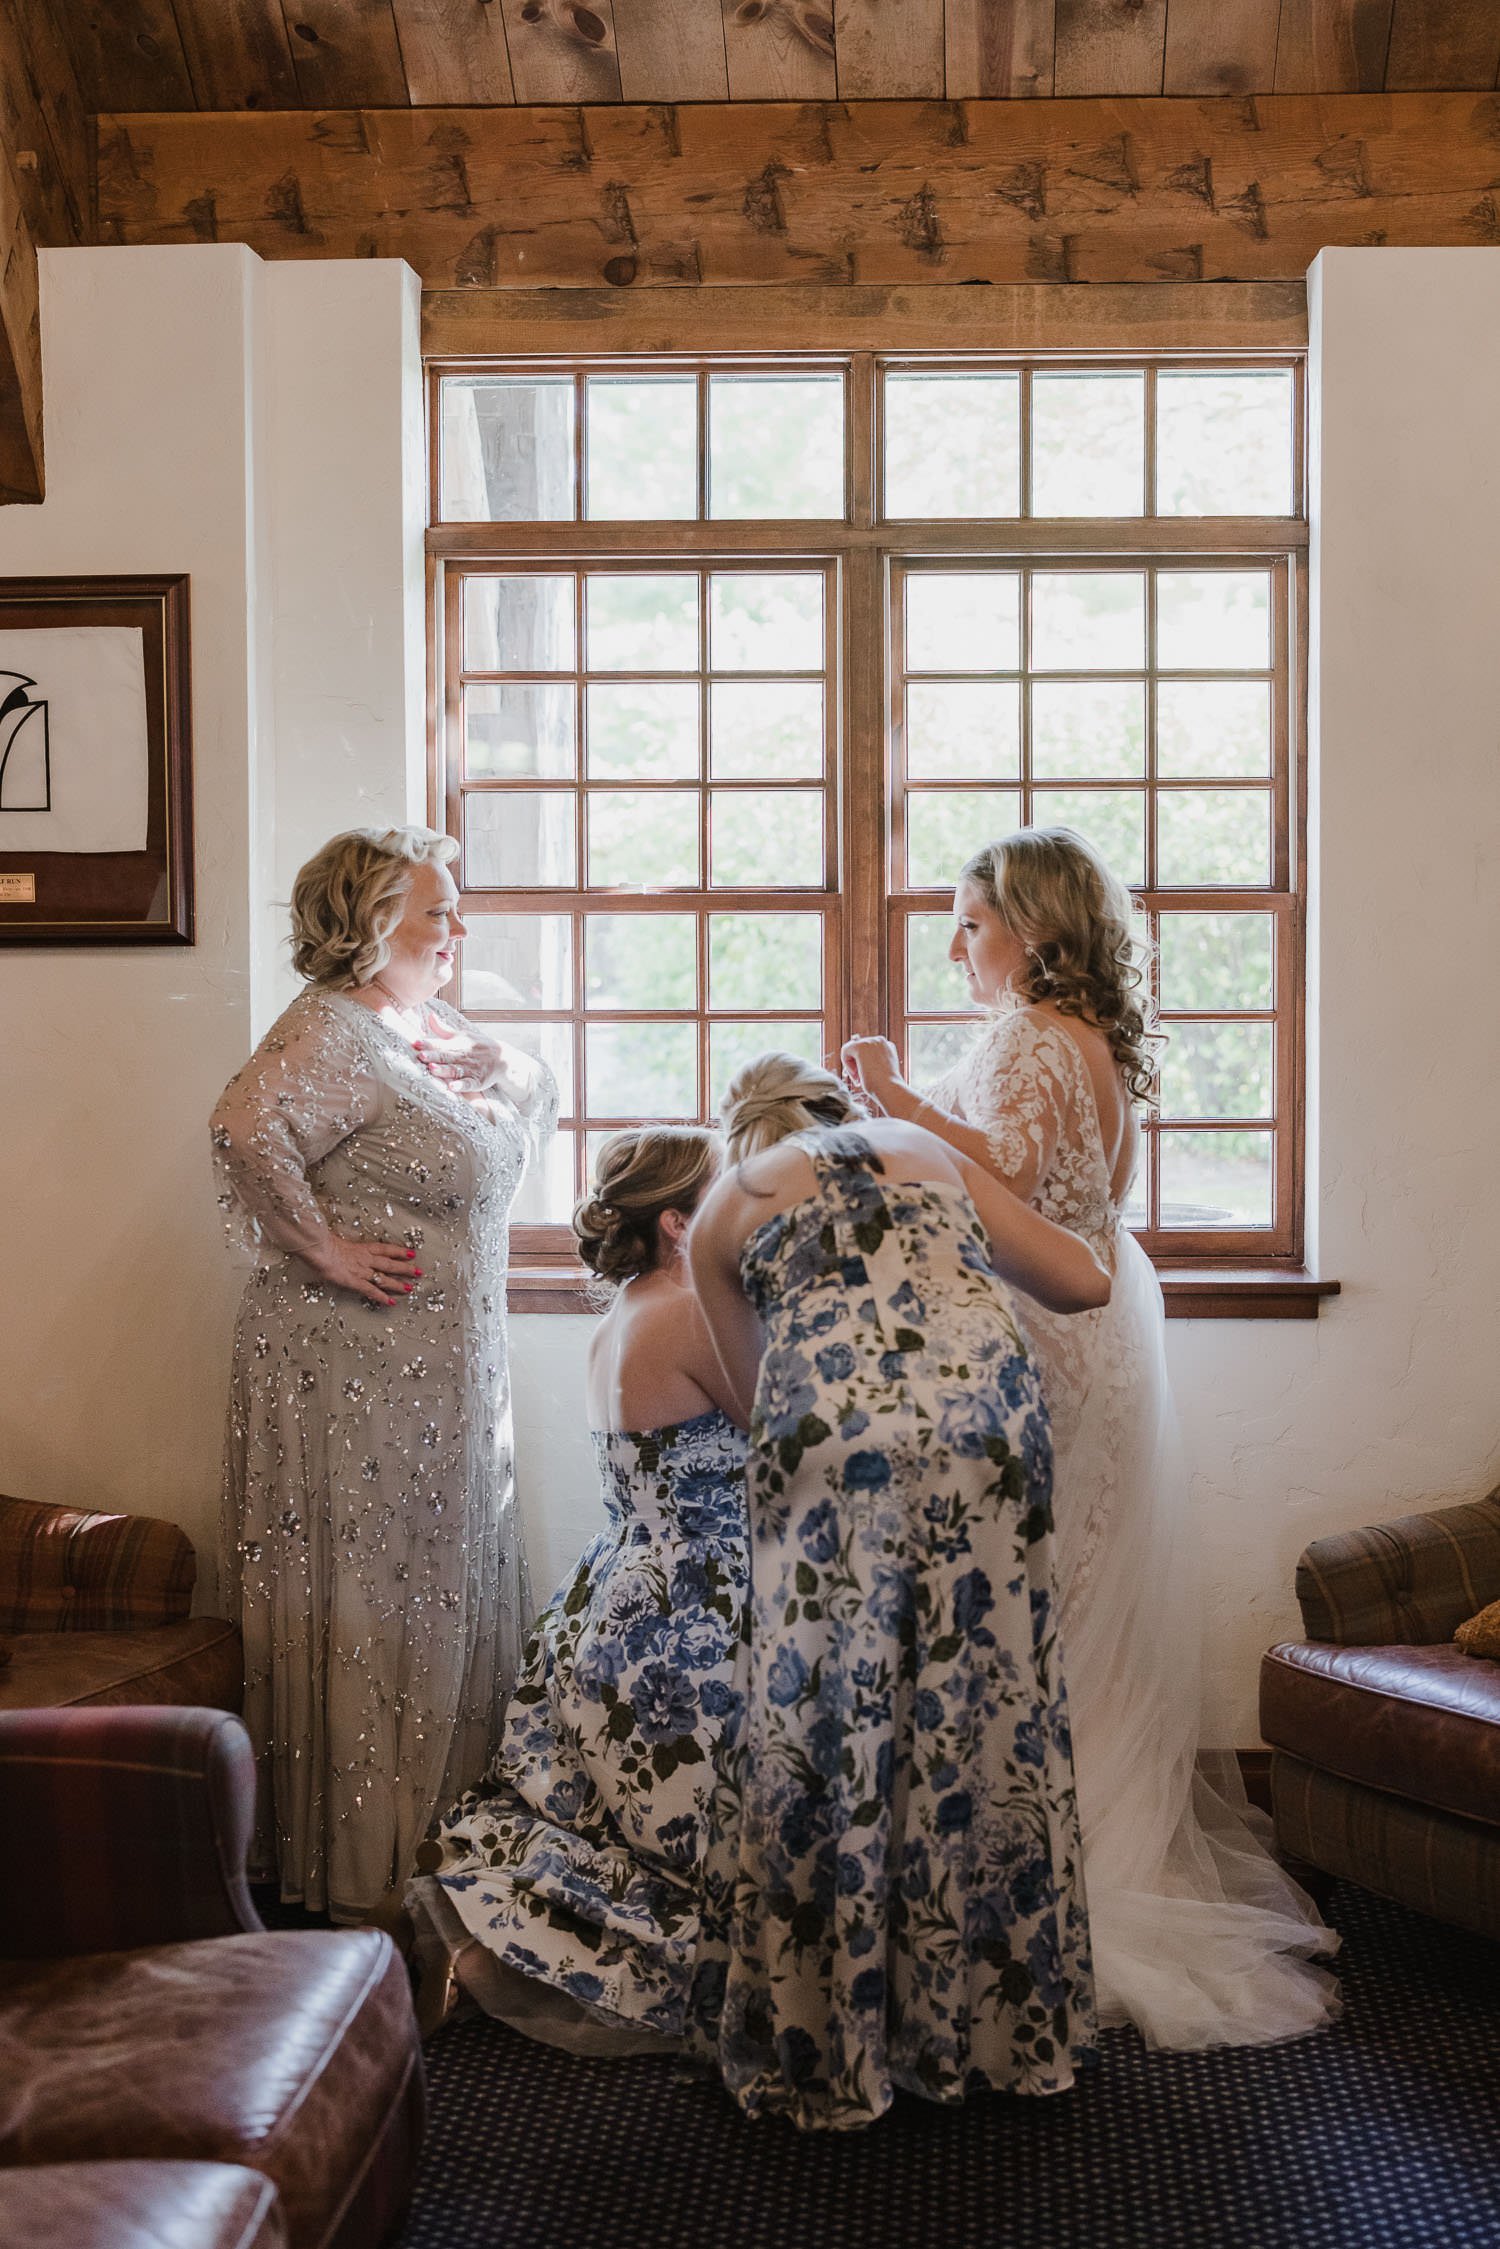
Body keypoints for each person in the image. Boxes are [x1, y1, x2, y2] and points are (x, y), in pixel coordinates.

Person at [841, 827, 1338, 2050]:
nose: (955, 944)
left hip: (1048, 1338)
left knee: (1039, 1596)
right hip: (1093, 1330)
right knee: (1075, 1597)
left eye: (971, 921)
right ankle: (1065, 1850)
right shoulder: (1080, 1037)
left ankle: (1061, 1879)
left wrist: (898, 1101)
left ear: (1037, 929)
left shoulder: (1036, 1037)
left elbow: (1004, 1174)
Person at [684, 1052, 1110, 2131]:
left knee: (828, 1707)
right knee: (989, 1699)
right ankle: (998, 2027)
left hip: (837, 1436)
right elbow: (1085, 1278)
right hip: (987, 1424)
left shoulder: (726, 1206)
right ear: (843, 1109)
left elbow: (748, 1401)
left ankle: (834, 2032)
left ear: (746, 1132)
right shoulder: (925, 1151)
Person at [211, 824, 556, 1923]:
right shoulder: (330, 1032)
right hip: (346, 1371)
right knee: (379, 1600)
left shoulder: (422, 1026)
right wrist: (321, 1248)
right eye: (438, 909)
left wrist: (512, 1066)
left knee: (440, 1594)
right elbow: (241, 1127)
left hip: (448, 1370)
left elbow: (507, 1127)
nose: (457, 927)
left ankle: (441, 1852)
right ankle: (359, 1878)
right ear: (371, 923)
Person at [408, 1125, 749, 2054]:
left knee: (622, 1834)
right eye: (732, 1194)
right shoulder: (690, 1314)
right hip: (695, 1613)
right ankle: (530, 1961)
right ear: (680, 1223)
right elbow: (791, 1432)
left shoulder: (635, 1307)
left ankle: (509, 1954)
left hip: (621, 1597)